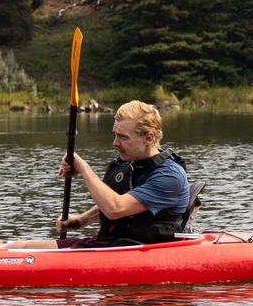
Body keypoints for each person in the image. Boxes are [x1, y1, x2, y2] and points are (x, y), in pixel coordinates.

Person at [57, 100, 194, 247]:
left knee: (30, 256)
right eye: (115, 135)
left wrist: (83, 167)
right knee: (27, 247)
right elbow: (127, 202)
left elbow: (115, 208)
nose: (115, 143)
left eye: (123, 137)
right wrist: (82, 220)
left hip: (139, 251)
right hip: (112, 243)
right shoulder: (129, 162)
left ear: (149, 138)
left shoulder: (170, 176)